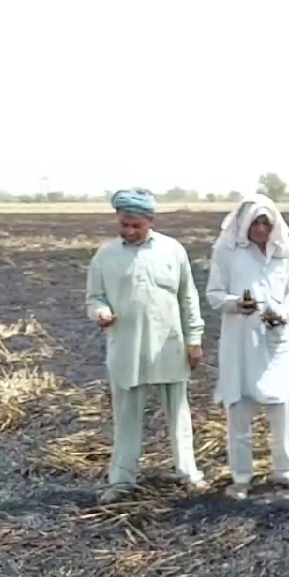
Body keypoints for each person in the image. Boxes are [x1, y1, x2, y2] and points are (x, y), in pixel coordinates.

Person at [85, 189, 207, 504]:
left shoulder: (172, 250)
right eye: (124, 224)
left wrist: (194, 340)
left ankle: (189, 473)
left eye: (136, 225)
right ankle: (122, 481)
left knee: (178, 413)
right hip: (126, 348)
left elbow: (188, 298)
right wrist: (99, 313)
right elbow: (94, 297)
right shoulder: (105, 255)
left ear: (149, 221)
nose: (129, 230)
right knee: (125, 417)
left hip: (169, 346)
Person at [205, 195, 289, 500]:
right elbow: (214, 295)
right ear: (245, 224)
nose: (261, 229)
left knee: (280, 410)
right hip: (240, 342)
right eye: (255, 222)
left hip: (275, 340)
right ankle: (241, 477)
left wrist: (283, 312)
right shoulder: (226, 252)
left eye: (266, 223)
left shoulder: (285, 254)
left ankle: (284, 472)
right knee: (239, 411)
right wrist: (237, 304)